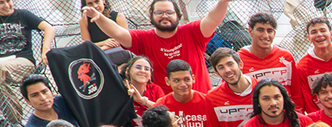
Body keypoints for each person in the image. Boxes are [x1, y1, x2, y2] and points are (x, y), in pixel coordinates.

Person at [86, 0, 229, 94]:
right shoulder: (144, 38)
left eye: (169, 12)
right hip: (165, 108)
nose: (164, 16)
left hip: (200, 101)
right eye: (159, 13)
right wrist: (99, 17)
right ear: (152, 16)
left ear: (177, 15)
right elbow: (118, 32)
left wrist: (224, 1)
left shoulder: (193, 32)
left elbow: (213, 18)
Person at [0, 0, 53, 127]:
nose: (7, 5)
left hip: (24, 63)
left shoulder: (23, 15)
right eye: (0, 2)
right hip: (0, 67)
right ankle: (15, 124)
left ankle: (13, 124)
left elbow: (49, 28)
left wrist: (45, 50)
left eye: (8, 1)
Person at [157, 60, 223, 127]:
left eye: (186, 79)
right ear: (167, 81)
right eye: (176, 80)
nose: (182, 84)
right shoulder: (161, 107)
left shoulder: (208, 102)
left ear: (193, 78)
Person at [292, 18, 332, 115]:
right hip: (320, 122)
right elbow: (307, 100)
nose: (319, 35)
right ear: (309, 38)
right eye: (314, 32)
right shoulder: (302, 66)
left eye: (323, 30)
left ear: (331, 34)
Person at [238, 12, 295, 88]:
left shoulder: (286, 57)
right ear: (250, 32)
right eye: (260, 30)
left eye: (269, 31)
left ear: (274, 33)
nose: (265, 35)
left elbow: (296, 93)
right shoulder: (238, 59)